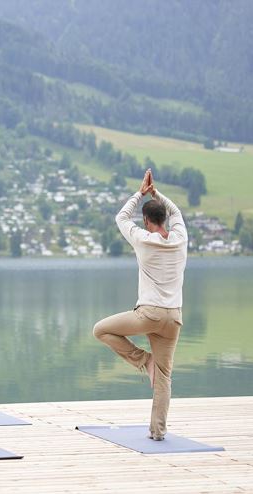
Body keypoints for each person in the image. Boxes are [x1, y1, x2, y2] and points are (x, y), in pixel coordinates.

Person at [92, 168, 187, 441]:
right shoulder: (181, 238)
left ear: (146, 221)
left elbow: (121, 217)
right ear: (164, 219)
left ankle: (144, 361)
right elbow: (177, 211)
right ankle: (158, 432)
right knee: (165, 376)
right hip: (174, 317)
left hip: (149, 313)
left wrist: (140, 193)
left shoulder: (142, 239)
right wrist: (156, 193)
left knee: (101, 330)